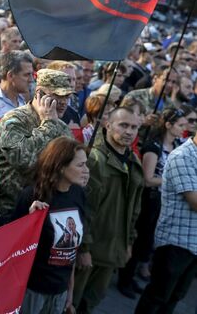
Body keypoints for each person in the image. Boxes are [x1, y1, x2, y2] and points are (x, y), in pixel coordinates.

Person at [73, 107, 144, 314]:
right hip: (90, 248)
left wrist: (129, 241)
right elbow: (83, 208)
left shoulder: (133, 161)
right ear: (108, 125)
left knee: (91, 301)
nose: (129, 131)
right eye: (124, 125)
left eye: (134, 127)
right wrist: (83, 248)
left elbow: (134, 210)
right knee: (72, 303)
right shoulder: (94, 160)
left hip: (113, 248)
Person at [0, 69, 74, 231]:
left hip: (49, 211)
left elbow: (72, 164)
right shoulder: (13, 121)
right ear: (39, 93)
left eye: (67, 97)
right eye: (57, 96)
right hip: (10, 213)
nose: (63, 102)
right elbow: (24, 161)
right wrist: (48, 125)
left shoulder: (60, 125)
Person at [12, 137, 89, 314]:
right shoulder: (32, 196)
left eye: (86, 164)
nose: (86, 170)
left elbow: (71, 250)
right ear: (61, 167)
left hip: (60, 291)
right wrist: (29, 222)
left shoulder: (78, 194)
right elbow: (12, 246)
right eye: (80, 165)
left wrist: (70, 292)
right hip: (32, 290)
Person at [118, 108, 187, 298]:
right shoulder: (154, 146)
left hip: (164, 201)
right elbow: (148, 179)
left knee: (147, 243)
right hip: (150, 201)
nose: (184, 129)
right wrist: (173, 180)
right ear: (168, 125)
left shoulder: (177, 146)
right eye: (180, 125)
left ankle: (130, 277)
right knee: (140, 238)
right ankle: (125, 278)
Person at [134, 120, 197, 314]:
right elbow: (195, 202)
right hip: (175, 242)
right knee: (157, 297)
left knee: (174, 298)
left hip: (193, 243)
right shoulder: (183, 156)